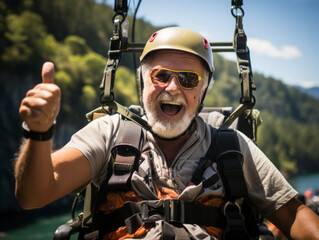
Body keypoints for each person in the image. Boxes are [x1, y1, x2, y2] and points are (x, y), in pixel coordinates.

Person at [15, 27, 319, 239]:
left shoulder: (232, 147)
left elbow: (294, 217)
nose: (172, 88)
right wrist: (39, 133)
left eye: (188, 79)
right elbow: (33, 196)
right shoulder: (110, 134)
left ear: (202, 91)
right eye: (161, 75)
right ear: (144, 81)